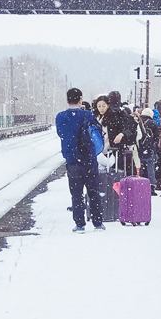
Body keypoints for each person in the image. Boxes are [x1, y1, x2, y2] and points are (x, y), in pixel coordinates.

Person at [54, 87, 106, 232]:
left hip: (72, 160)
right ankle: (97, 223)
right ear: (80, 100)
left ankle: (80, 224)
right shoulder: (88, 115)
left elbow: (61, 134)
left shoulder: (60, 117)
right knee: (93, 192)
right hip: (88, 158)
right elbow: (98, 132)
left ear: (67, 100)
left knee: (76, 194)